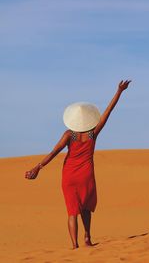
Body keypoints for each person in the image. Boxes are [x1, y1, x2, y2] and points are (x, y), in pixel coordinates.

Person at [25, 79, 132, 249]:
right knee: (86, 208)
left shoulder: (69, 135)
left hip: (69, 175)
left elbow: (54, 152)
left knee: (72, 211)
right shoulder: (93, 134)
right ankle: (87, 238)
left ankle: (74, 246)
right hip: (86, 175)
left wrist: (37, 168)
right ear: (89, 119)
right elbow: (108, 111)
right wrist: (119, 91)